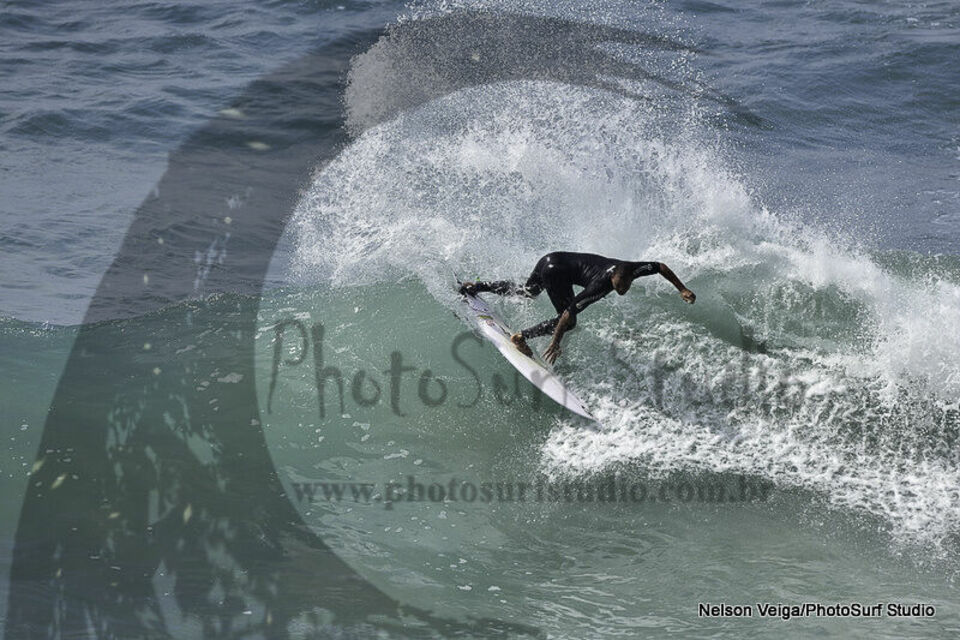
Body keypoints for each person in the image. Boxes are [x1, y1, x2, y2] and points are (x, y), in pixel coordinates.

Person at [459, 251, 695, 364]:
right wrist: (555, 343)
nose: (621, 290)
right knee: (569, 323)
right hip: (556, 271)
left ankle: (478, 286)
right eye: (618, 287)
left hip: (551, 258)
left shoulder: (634, 268)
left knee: (527, 292)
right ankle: (521, 337)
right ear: (613, 279)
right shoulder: (601, 285)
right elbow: (568, 313)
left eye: (625, 287)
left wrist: (681, 289)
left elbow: (661, 267)